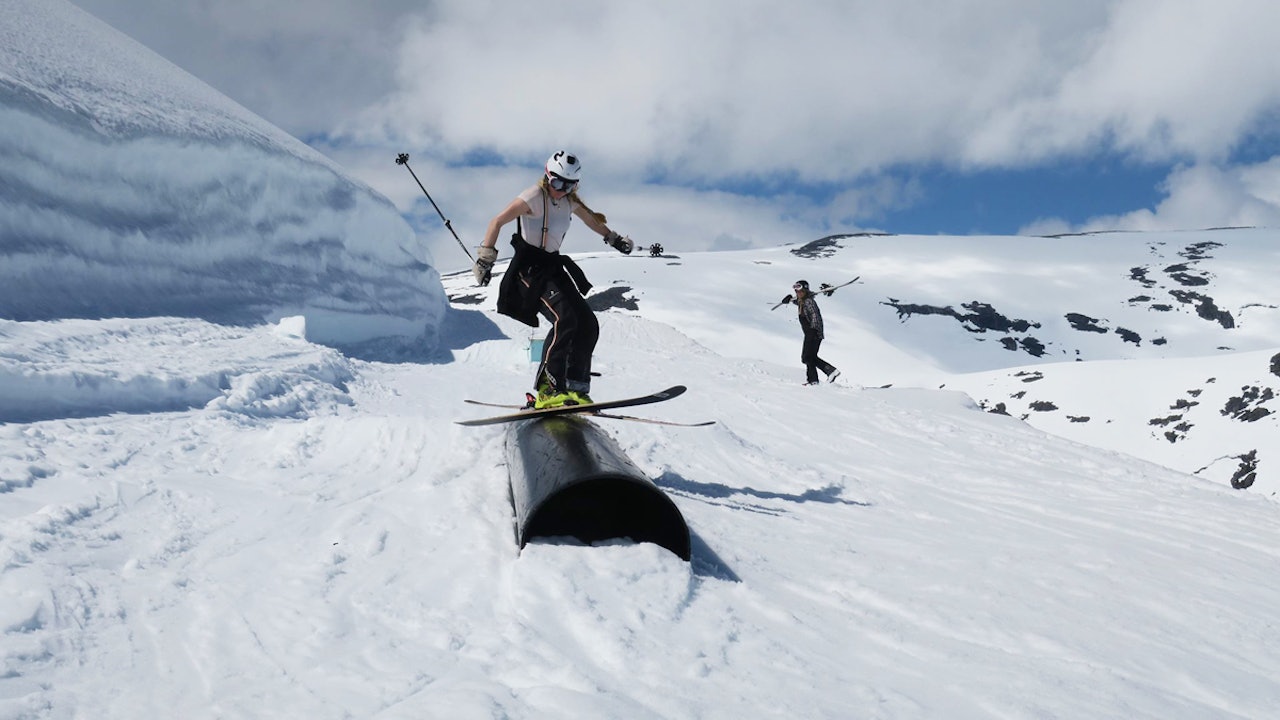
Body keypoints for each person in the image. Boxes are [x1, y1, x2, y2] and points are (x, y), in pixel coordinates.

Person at [472, 151, 634, 408]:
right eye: (558, 183)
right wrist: (485, 259)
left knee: (587, 323)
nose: (562, 190)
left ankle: (576, 389)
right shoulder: (533, 197)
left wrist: (614, 239)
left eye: (569, 185)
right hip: (529, 270)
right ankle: (548, 390)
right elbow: (497, 221)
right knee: (565, 319)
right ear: (547, 177)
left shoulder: (569, 202)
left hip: (552, 268)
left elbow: (593, 222)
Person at [787, 280, 841, 385]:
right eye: (796, 291)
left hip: (814, 332)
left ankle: (813, 381)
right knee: (810, 357)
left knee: (807, 357)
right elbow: (798, 301)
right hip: (811, 333)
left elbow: (815, 316)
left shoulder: (809, 301)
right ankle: (830, 371)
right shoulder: (803, 301)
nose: (798, 293)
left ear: (805, 290)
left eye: (800, 290)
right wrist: (789, 300)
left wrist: (813, 331)